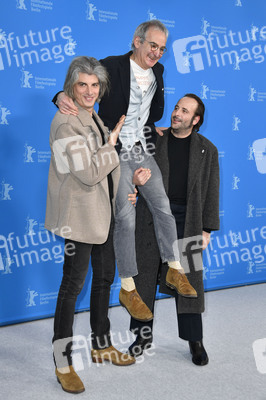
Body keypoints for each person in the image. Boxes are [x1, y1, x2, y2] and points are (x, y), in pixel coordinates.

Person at [54, 20, 197, 324]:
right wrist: (59, 96)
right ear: (137, 41)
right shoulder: (112, 66)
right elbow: (83, 86)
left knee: (162, 206)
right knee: (126, 216)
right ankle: (129, 288)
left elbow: (154, 111)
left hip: (141, 146)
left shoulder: (158, 71)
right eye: (152, 45)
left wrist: (149, 126)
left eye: (162, 48)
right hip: (113, 149)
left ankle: (174, 267)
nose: (157, 53)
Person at [45, 56, 151, 394]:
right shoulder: (65, 122)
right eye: (82, 85)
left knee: (104, 279)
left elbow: (107, 169)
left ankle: (101, 344)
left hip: (103, 214)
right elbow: (90, 172)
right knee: (71, 288)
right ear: (70, 88)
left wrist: (124, 194)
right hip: (79, 219)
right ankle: (63, 363)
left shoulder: (92, 116)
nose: (89, 91)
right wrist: (111, 144)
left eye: (94, 85)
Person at [129, 94, 220, 366]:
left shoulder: (207, 150)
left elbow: (211, 191)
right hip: (152, 218)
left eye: (185, 111)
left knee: (189, 283)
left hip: (188, 221)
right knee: (144, 279)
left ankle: (195, 342)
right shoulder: (152, 140)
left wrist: (207, 229)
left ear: (196, 120)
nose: (177, 113)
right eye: (177, 108)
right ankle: (142, 337)